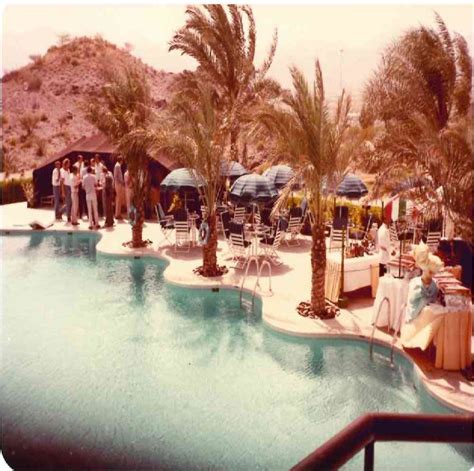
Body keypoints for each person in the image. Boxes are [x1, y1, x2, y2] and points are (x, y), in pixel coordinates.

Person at [61, 158, 72, 223]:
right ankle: (68, 217)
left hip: (69, 186)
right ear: (66, 164)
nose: (69, 164)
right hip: (65, 187)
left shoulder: (68, 170)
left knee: (70, 203)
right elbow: (62, 182)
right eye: (68, 163)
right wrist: (62, 192)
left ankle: (60, 212)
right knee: (68, 202)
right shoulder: (62, 171)